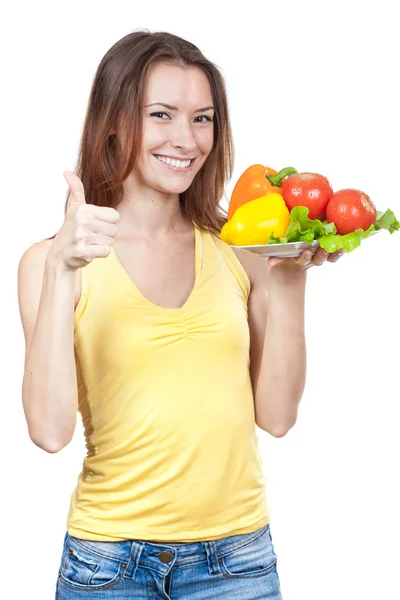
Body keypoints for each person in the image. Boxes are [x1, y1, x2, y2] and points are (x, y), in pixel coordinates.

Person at [17, 29, 344, 600]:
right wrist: (63, 271)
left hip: (236, 560)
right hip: (108, 565)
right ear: (115, 121)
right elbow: (49, 431)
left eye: (203, 118)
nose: (187, 140)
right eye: (162, 114)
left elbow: (277, 416)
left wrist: (289, 278)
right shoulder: (49, 260)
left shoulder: (239, 251)